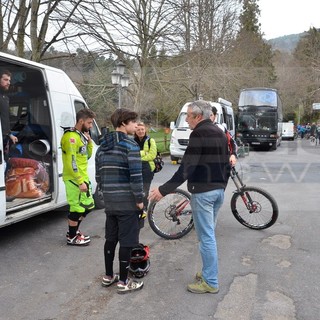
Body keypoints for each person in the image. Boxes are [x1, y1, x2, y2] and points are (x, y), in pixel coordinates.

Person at [149, 100, 230, 294]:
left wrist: (164, 189)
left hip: (204, 193)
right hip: (218, 191)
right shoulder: (219, 132)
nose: (186, 119)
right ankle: (208, 273)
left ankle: (210, 281)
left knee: (206, 238)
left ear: (198, 116)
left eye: (188, 116)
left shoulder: (199, 133)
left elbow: (187, 166)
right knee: (208, 236)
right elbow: (227, 162)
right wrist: (222, 186)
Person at [95, 108, 144, 294]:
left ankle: (109, 276)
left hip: (110, 201)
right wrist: (139, 200)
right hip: (127, 202)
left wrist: (105, 195)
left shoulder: (101, 147)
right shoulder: (130, 146)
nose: (136, 125)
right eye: (133, 122)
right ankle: (123, 281)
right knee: (127, 240)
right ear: (123, 123)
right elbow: (136, 177)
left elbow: (98, 176)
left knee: (111, 238)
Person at [61, 108, 96, 246]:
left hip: (83, 177)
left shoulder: (81, 136)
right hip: (74, 179)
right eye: (89, 122)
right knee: (77, 208)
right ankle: (72, 236)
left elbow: (86, 157)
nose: (91, 126)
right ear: (81, 121)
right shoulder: (70, 137)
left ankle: (74, 231)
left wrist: (89, 144)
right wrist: (80, 181)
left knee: (88, 207)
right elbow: (72, 161)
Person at [134, 122, 157, 212]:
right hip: (135, 168)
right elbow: (130, 154)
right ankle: (137, 207)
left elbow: (152, 155)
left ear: (145, 130)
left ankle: (144, 209)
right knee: (136, 189)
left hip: (147, 169)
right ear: (135, 131)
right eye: (138, 130)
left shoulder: (150, 141)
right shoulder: (133, 141)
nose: (140, 131)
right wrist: (144, 153)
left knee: (145, 189)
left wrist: (138, 156)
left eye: (142, 129)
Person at [0, 69, 18, 158]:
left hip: (4, 138)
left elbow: (4, 119)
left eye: (9, 80)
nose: (8, 82)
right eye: (6, 79)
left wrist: (10, 134)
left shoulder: (5, 98)